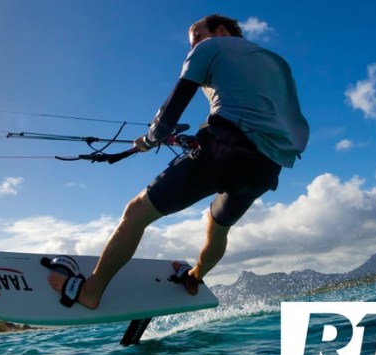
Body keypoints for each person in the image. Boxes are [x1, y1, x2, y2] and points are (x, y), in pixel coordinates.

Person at [48, 13, 309, 309]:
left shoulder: (210, 47)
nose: (193, 45)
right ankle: (194, 278)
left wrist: (151, 139)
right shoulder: (276, 62)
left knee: (136, 212)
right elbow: (261, 114)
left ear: (222, 31)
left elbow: (175, 104)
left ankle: (90, 291)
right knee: (218, 227)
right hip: (267, 167)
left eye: (197, 36)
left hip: (225, 150)